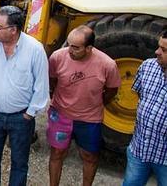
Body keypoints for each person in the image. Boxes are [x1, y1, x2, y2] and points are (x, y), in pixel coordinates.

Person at [0, 5, 49, 186]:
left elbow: (41, 86)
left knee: (20, 163)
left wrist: (30, 113)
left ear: (13, 30)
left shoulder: (35, 50)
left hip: (21, 119)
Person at [47, 26, 120, 186]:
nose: (69, 51)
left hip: (89, 120)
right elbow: (52, 80)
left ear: (89, 48)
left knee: (89, 156)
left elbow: (112, 90)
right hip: (60, 115)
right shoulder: (57, 57)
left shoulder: (107, 65)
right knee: (57, 153)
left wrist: (96, 103)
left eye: (75, 47)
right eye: (69, 45)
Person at [122, 30, 167, 186]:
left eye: (164, 50)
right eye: (158, 46)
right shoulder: (147, 67)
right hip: (139, 151)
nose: (157, 52)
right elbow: (141, 96)